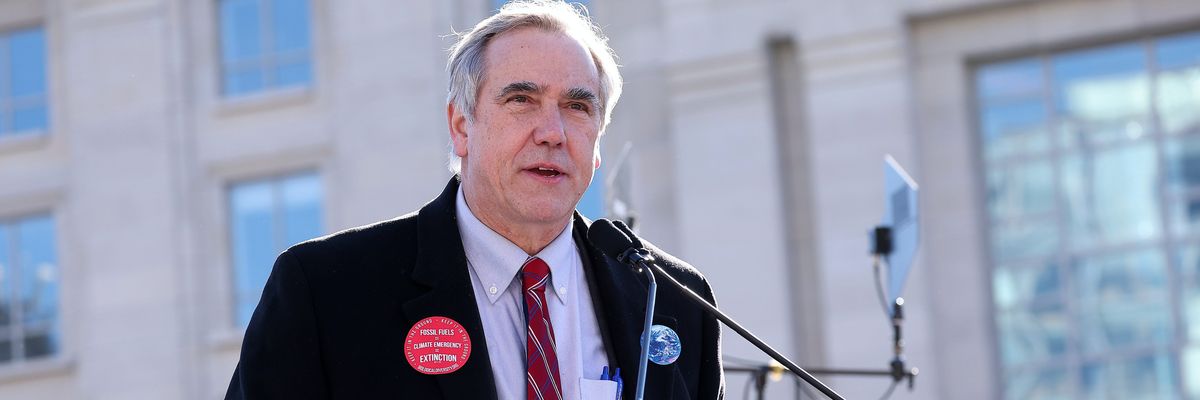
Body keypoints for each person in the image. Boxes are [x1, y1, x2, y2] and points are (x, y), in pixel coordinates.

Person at [225, 1, 724, 399]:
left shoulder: (674, 298)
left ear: (598, 141)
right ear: (462, 126)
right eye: (521, 100)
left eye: (577, 107)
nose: (552, 132)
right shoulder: (324, 291)